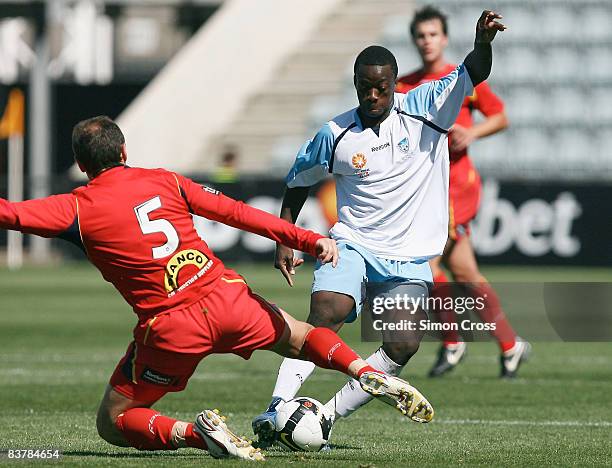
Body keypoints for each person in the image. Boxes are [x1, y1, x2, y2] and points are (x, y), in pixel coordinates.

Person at [0, 116, 437, 461]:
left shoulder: (73, 207)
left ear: (81, 164)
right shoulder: (164, 180)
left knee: (114, 421)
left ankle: (197, 434)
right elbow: (236, 214)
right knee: (302, 336)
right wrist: (307, 239)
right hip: (227, 298)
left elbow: (11, 215)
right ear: (123, 150)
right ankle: (364, 371)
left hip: (170, 329)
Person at [252, 10, 506, 446]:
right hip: (351, 243)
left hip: (407, 255)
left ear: (393, 84)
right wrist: (285, 238)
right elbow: (297, 183)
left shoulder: (426, 107)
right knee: (326, 312)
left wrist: (483, 42)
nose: (373, 95)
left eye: (381, 87)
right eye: (365, 87)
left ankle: (323, 418)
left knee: (405, 343)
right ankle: (276, 407)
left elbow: (473, 72)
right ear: (355, 83)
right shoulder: (335, 133)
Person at [396, 5, 530, 378]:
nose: (427, 41)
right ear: (414, 40)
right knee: (464, 271)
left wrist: (472, 133)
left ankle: (453, 341)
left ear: (445, 38)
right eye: (421, 35)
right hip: (426, 187)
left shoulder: (463, 77)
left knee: (428, 263)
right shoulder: (405, 84)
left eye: (433, 34)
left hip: (456, 186)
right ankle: (510, 344)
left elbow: (500, 116)